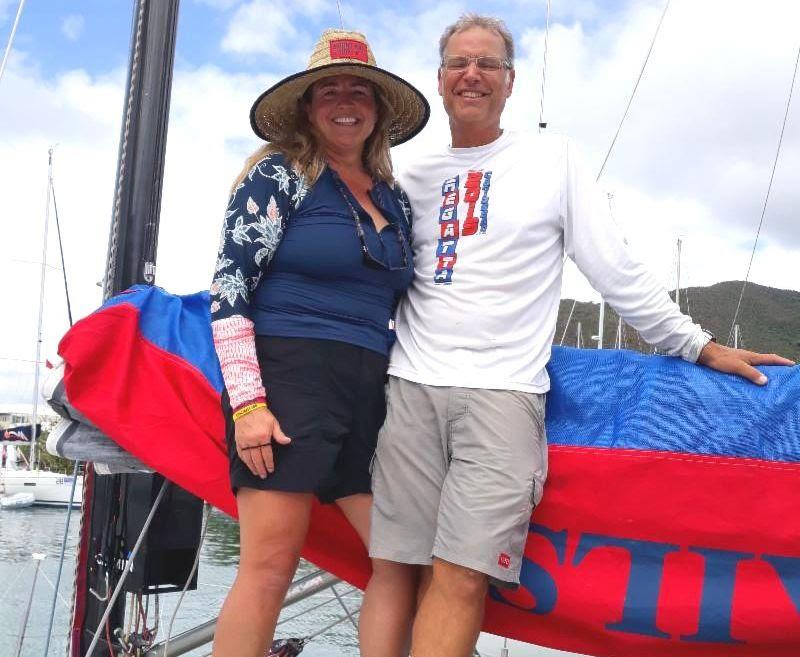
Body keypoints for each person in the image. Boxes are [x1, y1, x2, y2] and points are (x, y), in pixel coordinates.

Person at [366, 13, 795, 657]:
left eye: (488, 64)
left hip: (502, 396)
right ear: (440, 79)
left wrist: (698, 345)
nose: (472, 75)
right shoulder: (406, 173)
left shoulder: (552, 159)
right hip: (409, 390)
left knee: (459, 577)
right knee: (398, 571)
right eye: (459, 63)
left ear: (511, 83)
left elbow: (614, 269)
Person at [208, 29, 428, 657]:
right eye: (328, 89)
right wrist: (248, 405)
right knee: (269, 571)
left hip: (371, 388)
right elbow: (229, 290)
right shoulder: (279, 176)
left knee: (399, 564)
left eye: (359, 89)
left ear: (378, 108)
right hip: (289, 379)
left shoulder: (393, 197)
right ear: (309, 106)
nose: (344, 100)